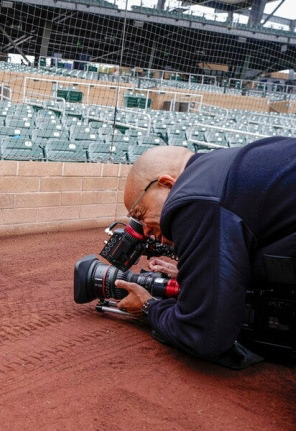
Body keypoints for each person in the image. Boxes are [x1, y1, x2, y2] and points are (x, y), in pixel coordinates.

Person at [114, 138, 296, 367]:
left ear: (167, 184)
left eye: (140, 214)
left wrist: (149, 307)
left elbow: (205, 334)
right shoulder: (216, 170)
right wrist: (197, 271)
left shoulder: (194, 197)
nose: (146, 230)